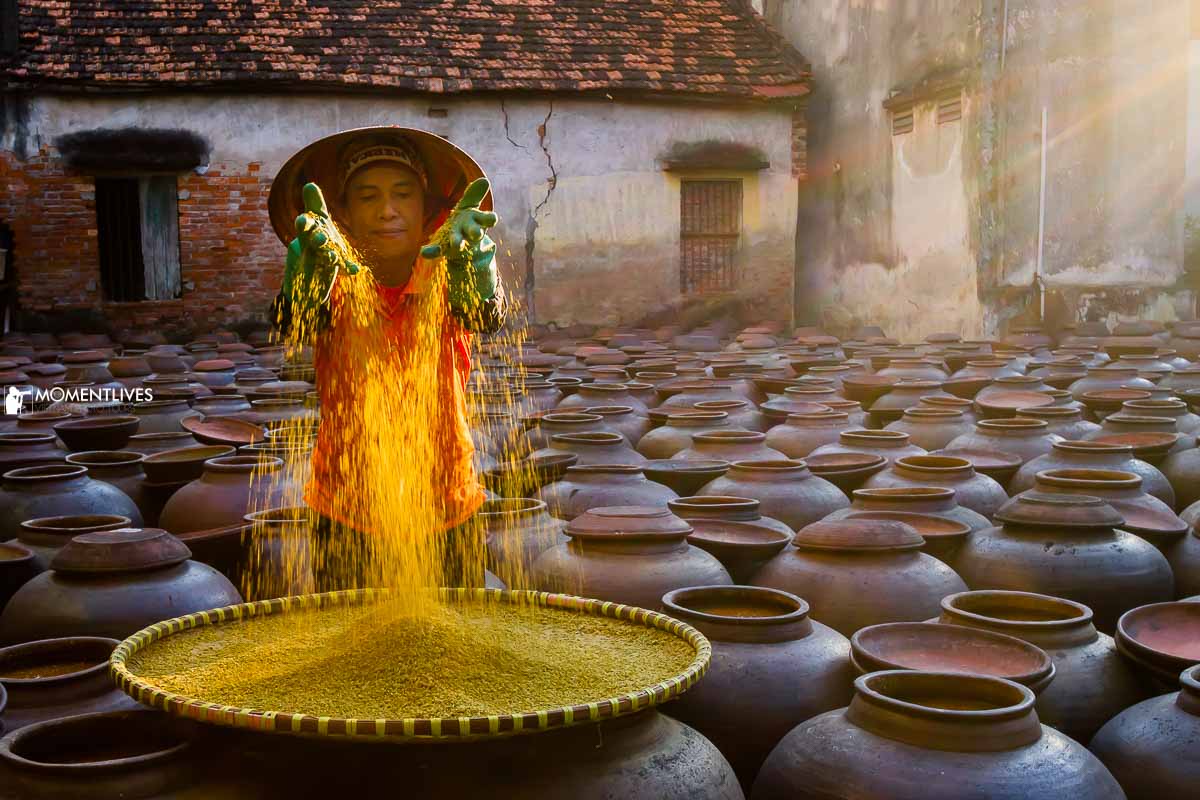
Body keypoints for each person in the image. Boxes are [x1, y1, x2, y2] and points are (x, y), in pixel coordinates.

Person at [266, 127, 506, 590]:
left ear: (426, 209)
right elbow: (291, 321)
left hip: (447, 505)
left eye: (402, 194)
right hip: (346, 510)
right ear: (346, 214)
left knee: (457, 654)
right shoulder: (330, 277)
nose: (387, 210)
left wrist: (476, 267)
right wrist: (303, 285)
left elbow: (485, 314)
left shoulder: (448, 269)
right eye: (367, 196)